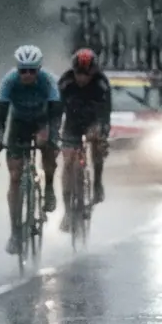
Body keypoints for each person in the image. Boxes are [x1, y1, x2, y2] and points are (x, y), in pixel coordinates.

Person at [0, 45, 61, 252]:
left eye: (31, 71)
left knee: (48, 148)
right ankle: (15, 232)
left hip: (42, 121)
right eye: (22, 70)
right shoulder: (9, 81)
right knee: (15, 176)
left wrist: (51, 136)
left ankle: (49, 186)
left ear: (39, 69)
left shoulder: (49, 81)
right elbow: (0, 116)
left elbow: (55, 114)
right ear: (17, 69)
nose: (26, 75)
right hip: (19, 124)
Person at [54, 48, 112, 233]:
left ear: (93, 72)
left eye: (87, 74)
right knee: (68, 162)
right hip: (72, 123)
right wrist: (54, 131)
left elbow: (105, 113)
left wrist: (100, 130)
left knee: (97, 143)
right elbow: (55, 110)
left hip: (94, 121)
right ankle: (68, 211)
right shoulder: (65, 82)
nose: (82, 78)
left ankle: (97, 182)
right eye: (79, 73)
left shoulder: (101, 84)